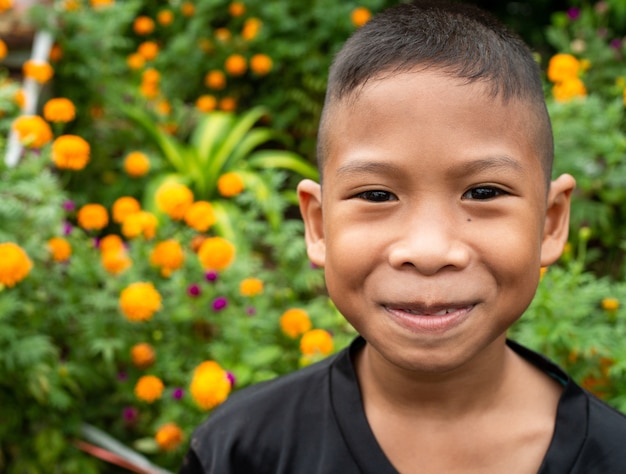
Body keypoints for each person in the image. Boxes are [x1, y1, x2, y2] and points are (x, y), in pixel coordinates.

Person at [180, 1, 626, 472]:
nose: (429, 251)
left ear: (551, 222)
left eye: (483, 192)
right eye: (376, 194)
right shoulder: (241, 452)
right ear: (318, 225)